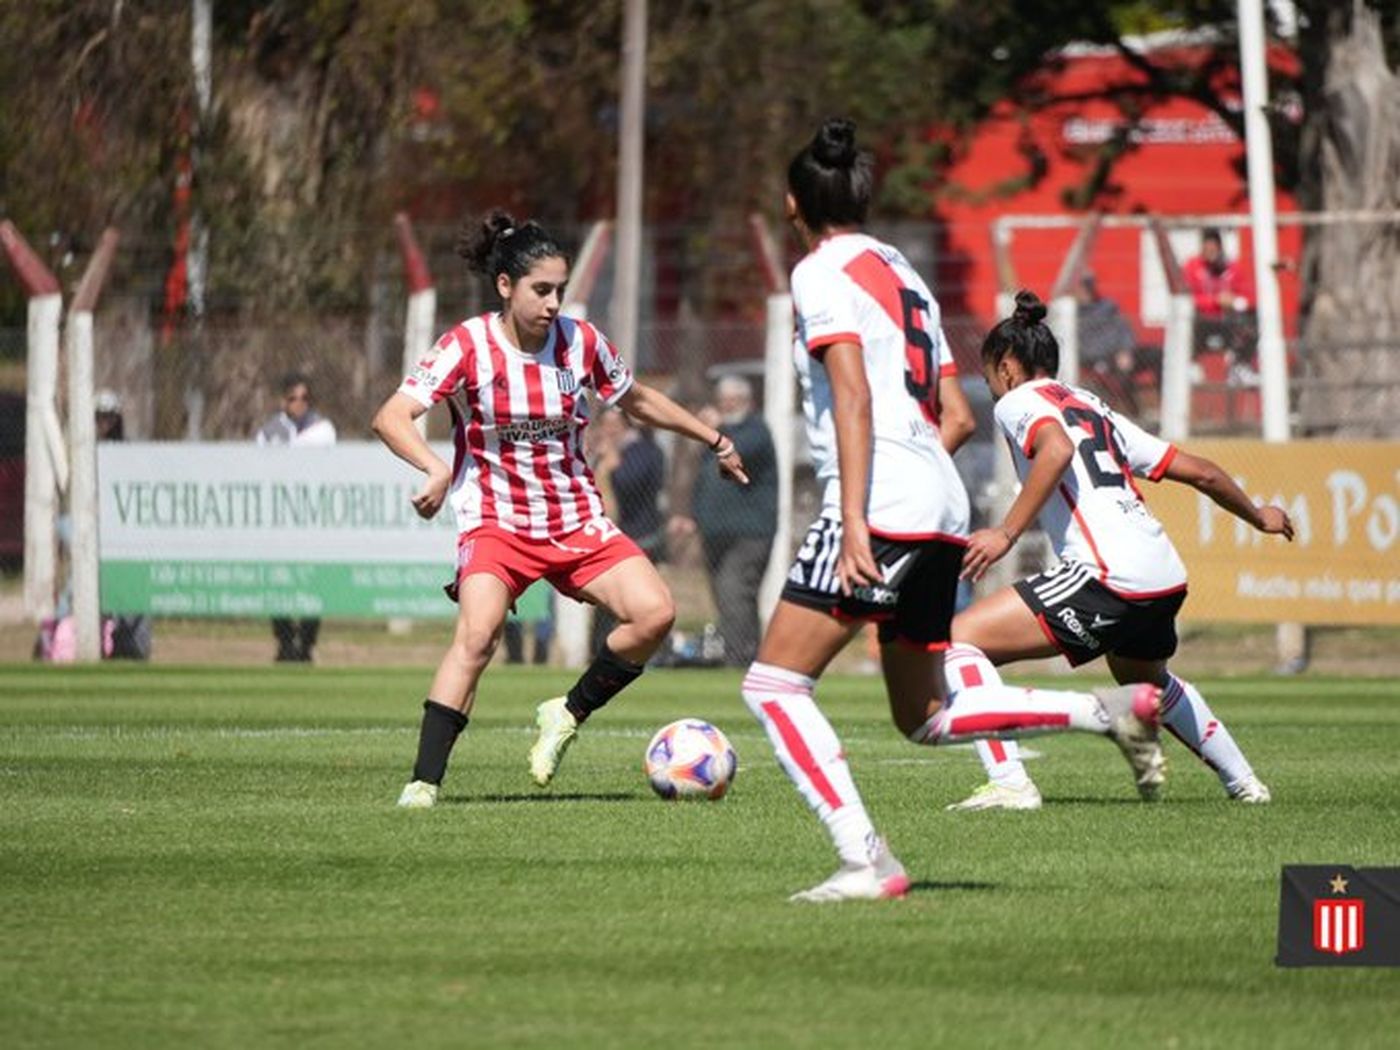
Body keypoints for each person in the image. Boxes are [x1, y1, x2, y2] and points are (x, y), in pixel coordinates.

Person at [742, 119, 1172, 903]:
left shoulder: (817, 271)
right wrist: (912, 481)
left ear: (793, 203)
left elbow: (852, 392)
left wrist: (861, 516)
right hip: (939, 495)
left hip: (883, 500)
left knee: (773, 687)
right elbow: (959, 413)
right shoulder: (905, 270)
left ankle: (864, 861)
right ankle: (1101, 713)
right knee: (926, 715)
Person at [372, 209, 749, 809]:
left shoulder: (581, 342)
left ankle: (567, 713)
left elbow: (640, 400)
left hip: (574, 518)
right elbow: (392, 415)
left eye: (560, 291)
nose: (553, 304)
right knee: (477, 635)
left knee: (655, 614)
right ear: (505, 286)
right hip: (495, 520)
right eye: (541, 290)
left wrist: (715, 440)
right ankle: (423, 784)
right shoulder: (466, 344)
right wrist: (435, 467)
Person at [944, 290, 1293, 812]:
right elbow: (1202, 471)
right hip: (1163, 576)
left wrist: (1005, 534)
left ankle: (1010, 781)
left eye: (993, 377)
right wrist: (1259, 515)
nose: (995, 390)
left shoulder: (1019, 402)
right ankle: (1246, 784)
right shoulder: (1092, 405)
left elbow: (1056, 450)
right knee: (1148, 681)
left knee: (956, 642)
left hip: (1107, 576)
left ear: (1009, 367)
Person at [670, 374, 777, 666]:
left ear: (746, 402)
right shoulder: (716, 441)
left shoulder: (756, 431)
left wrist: (717, 430)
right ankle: (746, 655)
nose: (726, 407)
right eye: (722, 402)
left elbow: (739, 453)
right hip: (716, 533)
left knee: (735, 592)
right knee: (726, 596)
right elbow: (703, 480)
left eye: (732, 402)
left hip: (748, 535)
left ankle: (739, 659)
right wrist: (690, 516)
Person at [256, 373, 336, 662]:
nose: (299, 404)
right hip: (280, 521)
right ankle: (284, 641)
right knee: (278, 580)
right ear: (283, 401)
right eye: (293, 398)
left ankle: (306, 641)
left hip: (312, 519)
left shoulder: (322, 428)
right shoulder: (269, 432)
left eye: (304, 398)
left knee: (313, 581)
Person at [1075, 271, 1146, 415]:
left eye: (1089, 287)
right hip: (1095, 359)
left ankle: (1164, 410)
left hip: (1119, 354)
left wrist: (1125, 350)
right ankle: (1132, 413)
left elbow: (1124, 329)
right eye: (1082, 287)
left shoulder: (1108, 307)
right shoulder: (1072, 313)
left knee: (1156, 355)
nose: (1086, 291)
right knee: (1117, 377)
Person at [1182, 228, 1254, 360]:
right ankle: (1192, 364)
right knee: (1186, 325)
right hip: (1201, 319)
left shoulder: (1232, 268)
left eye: (1213, 246)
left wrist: (1234, 301)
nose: (1210, 250)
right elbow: (1187, 299)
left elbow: (1248, 298)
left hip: (1228, 318)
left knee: (1252, 323)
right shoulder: (1192, 266)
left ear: (1220, 248)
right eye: (1207, 246)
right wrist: (1215, 300)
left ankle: (1240, 364)